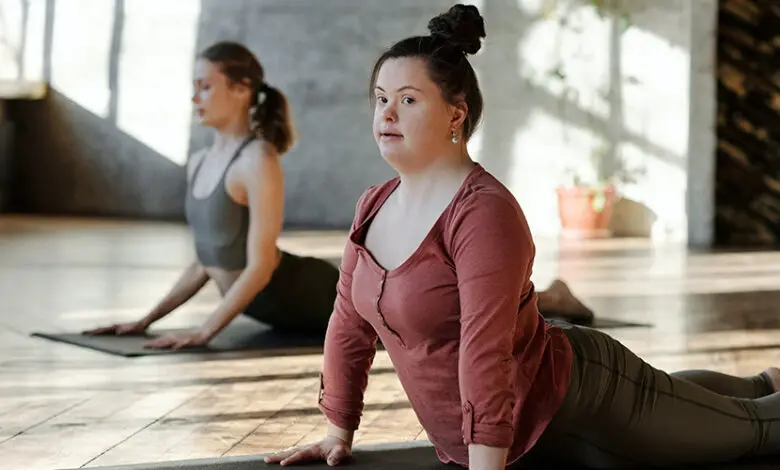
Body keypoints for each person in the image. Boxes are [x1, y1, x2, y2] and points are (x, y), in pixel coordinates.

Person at [263, 5, 780, 469]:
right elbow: (348, 326)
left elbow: (483, 349)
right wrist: (339, 430)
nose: (387, 114)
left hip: (585, 405)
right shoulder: (373, 204)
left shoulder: (483, 213)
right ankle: (766, 382)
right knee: (731, 400)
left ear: (455, 114)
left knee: (758, 430)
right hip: (530, 418)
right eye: (381, 99)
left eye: (408, 99)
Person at [82, 41, 595, 349]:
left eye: (205, 86)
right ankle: (547, 294)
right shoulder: (200, 161)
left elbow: (257, 267)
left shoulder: (257, 160)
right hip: (272, 304)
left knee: (441, 309)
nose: (195, 96)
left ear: (240, 89)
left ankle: (550, 298)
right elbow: (208, 258)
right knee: (434, 299)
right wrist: (146, 320)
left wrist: (205, 332)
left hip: (303, 293)